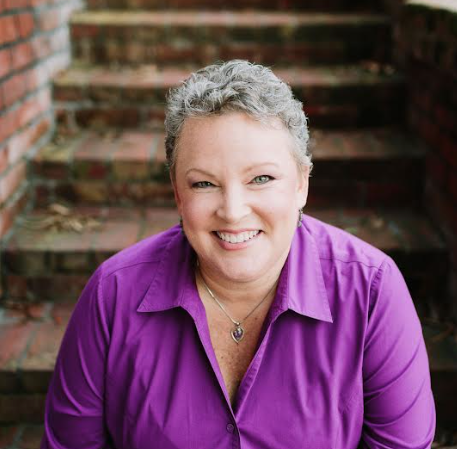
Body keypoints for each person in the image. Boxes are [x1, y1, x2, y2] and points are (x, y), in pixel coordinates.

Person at [41, 60, 435, 449]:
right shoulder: (112, 294)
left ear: (301, 184)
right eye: (205, 183)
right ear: (178, 194)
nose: (232, 210)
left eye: (261, 178)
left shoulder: (371, 290)